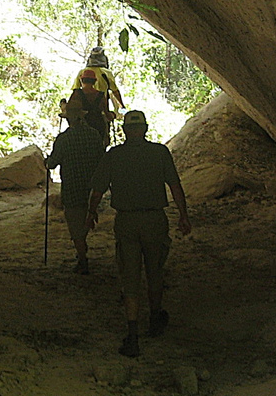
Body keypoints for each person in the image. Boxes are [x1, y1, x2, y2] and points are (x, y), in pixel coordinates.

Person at [86, 109, 190, 357]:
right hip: (154, 219)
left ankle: (132, 335)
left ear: (124, 131)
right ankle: (155, 319)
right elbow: (175, 186)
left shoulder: (114, 155)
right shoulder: (159, 153)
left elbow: (98, 190)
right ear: (145, 128)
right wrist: (184, 215)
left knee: (130, 277)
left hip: (127, 222)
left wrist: (91, 213)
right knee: (155, 271)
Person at [45, 99, 107, 274]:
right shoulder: (94, 135)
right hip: (91, 187)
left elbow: (52, 164)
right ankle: (82, 247)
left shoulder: (64, 139)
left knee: (74, 223)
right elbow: (102, 159)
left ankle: (82, 257)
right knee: (87, 216)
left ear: (68, 119)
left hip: (72, 188)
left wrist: (46, 161)